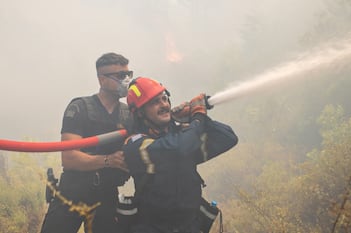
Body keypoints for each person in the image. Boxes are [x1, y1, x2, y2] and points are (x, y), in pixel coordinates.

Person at [122, 77, 238, 233]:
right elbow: (177, 150)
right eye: (155, 102)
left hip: (190, 227)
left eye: (164, 99)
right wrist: (198, 117)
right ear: (140, 113)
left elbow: (227, 138)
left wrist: (195, 116)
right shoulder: (136, 144)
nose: (164, 104)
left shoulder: (181, 137)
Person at [40, 52, 133, 233]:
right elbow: (69, 158)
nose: (127, 80)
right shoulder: (79, 108)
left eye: (129, 74)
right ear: (102, 80)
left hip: (107, 197)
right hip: (72, 193)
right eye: (120, 76)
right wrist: (108, 160)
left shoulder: (130, 114)